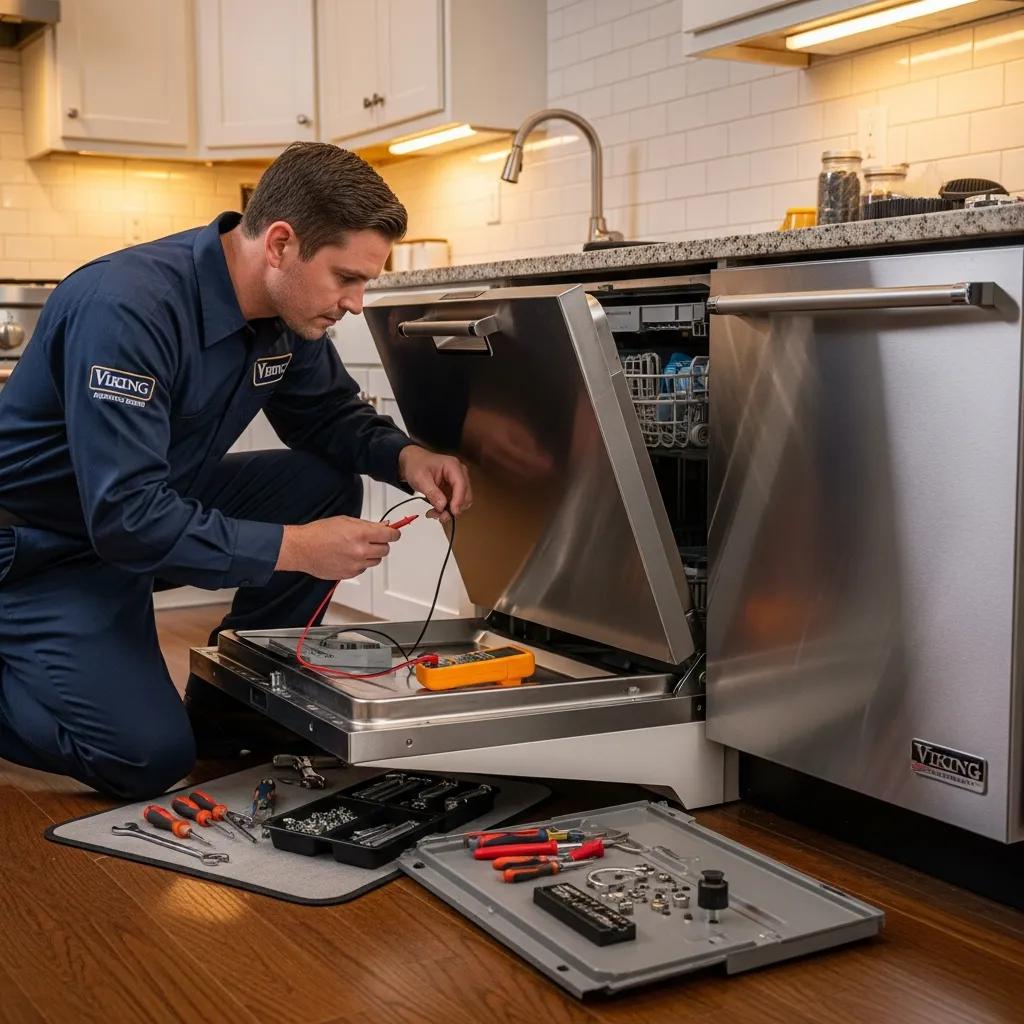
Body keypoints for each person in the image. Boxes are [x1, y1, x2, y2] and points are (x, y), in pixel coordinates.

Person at [0, 142, 472, 799]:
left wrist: (406, 457)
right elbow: (127, 519)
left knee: (319, 486)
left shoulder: (286, 315)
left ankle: (231, 710)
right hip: (37, 551)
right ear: (279, 244)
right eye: (346, 277)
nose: (357, 303)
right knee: (145, 758)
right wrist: (295, 549)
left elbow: (328, 415)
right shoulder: (129, 307)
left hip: (135, 517)